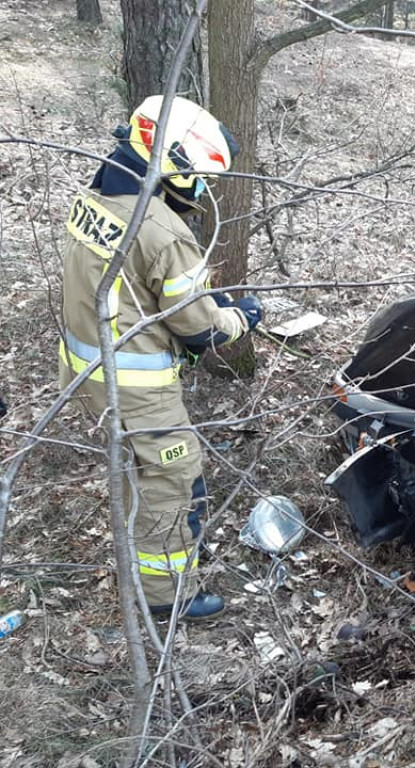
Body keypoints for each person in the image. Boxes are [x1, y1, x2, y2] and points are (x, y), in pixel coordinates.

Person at [59, 95, 262, 620]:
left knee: (133, 470)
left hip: (84, 370)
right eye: (199, 177)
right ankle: (165, 598)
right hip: (136, 389)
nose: (201, 191)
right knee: (173, 480)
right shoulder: (165, 232)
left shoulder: (97, 192)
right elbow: (200, 332)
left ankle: (142, 553)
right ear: (172, 160)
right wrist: (240, 317)